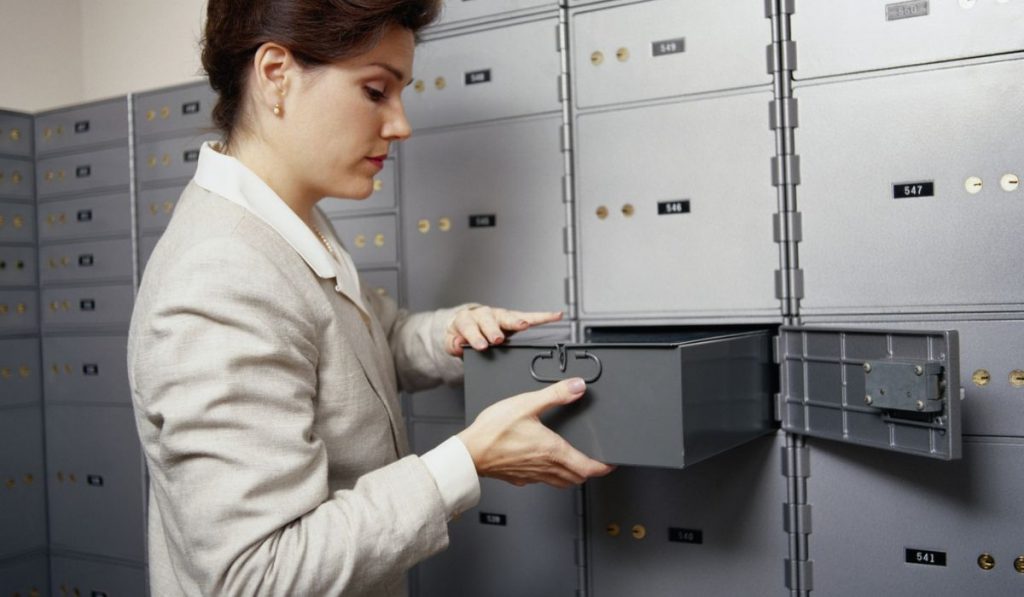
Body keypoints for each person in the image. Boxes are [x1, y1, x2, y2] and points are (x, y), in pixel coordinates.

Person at [126, 0, 614, 594]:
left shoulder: (291, 223)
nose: (401, 124)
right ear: (276, 74)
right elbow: (255, 575)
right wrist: (468, 460)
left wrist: (454, 335)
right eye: (376, 91)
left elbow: (358, 341)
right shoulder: (221, 275)